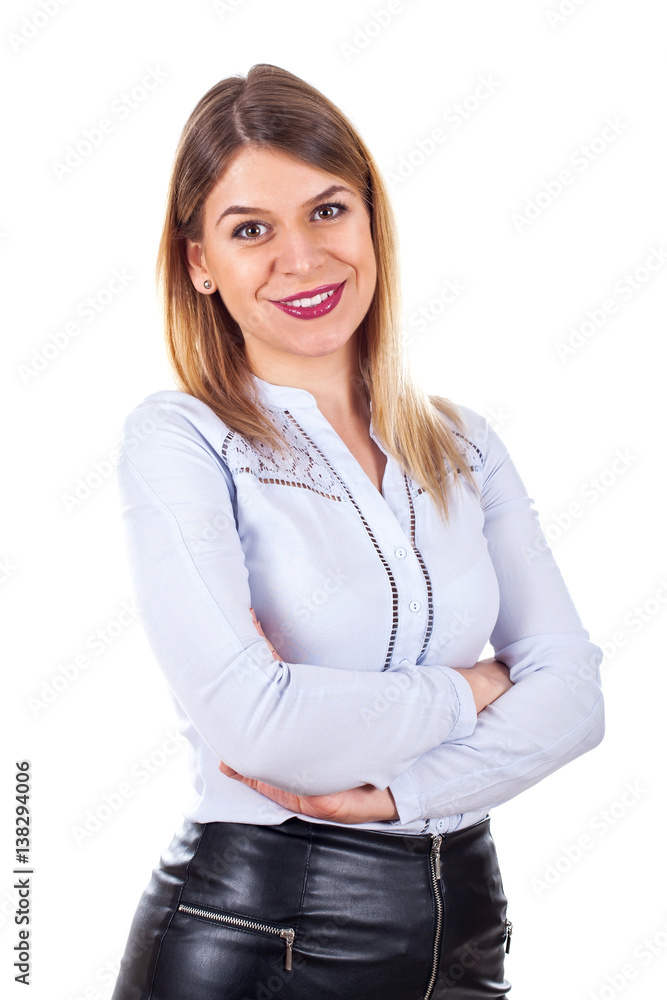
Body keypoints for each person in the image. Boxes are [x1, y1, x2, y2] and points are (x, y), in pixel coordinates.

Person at [110, 63, 604, 1000]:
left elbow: (576, 698)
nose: (300, 257)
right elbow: (258, 728)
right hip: (262, 929)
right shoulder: (179, 442)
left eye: (327, 210)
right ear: (198, 264)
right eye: (249, 229)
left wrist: (397, 794)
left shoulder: (463, 442)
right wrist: (479, 687)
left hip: (464, 927)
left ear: (371, 220)